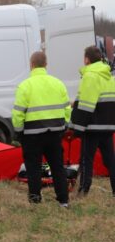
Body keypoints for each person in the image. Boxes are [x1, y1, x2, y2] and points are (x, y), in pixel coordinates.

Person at [12, 51, 70, 207]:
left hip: (31, 135)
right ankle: (63, 200)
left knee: (33, 168)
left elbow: (18, 113)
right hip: (55, 133)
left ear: (31, 65)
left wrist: (19, 131)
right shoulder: (58, 83)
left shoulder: (25, 86)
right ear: (46, 64)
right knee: (57, 167)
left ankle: (35, 200)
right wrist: (64, 126)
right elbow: (67, 109)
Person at [69, 45, 115, 196]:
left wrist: (77, 128)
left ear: (87, 59)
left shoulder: (90, 76)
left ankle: (83, 190)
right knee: (110, 160)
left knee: (86, 159)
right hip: (108, 126)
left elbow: (86, 105)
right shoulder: (109, 76)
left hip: (92, 126)